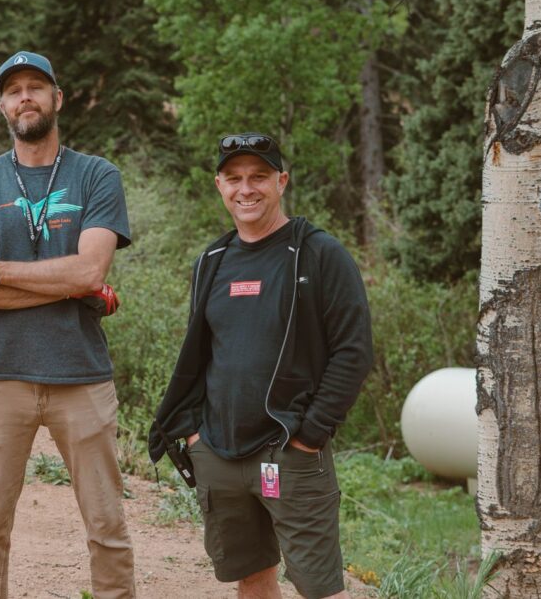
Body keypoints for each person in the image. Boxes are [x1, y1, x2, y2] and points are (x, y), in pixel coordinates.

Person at [148, 133, 373, 599]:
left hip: (290, 451)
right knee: (251, 579)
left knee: (321, 589)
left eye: (258, 177)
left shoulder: (319, 254)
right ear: (219, 185)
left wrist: (310, 436)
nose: (245, 189)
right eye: (234, 178)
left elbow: (353, 351)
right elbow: (199, 355)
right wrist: (193, 436)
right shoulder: (211, 261)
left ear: (281, 181)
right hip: (217, 452)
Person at [0, 51, 135, 599]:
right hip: (0, 377)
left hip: (81, 375)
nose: (25, 97)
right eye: (14, 90)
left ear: (58, 97)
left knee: (107, 527)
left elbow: (91, 269)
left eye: (36, 86)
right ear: (2, 106)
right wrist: (71, 285)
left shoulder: (96, 175)